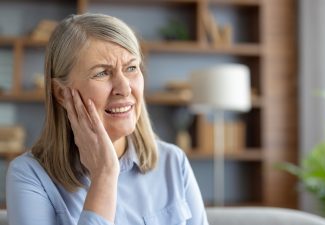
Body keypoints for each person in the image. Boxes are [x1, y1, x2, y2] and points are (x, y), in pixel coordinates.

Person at [6, 13, 208, 225]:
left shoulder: (173, 162)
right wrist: (105, 176)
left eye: (131, 68)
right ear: (61, 93)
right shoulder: (29, 175)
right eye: (102, 73)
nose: (125, 88)